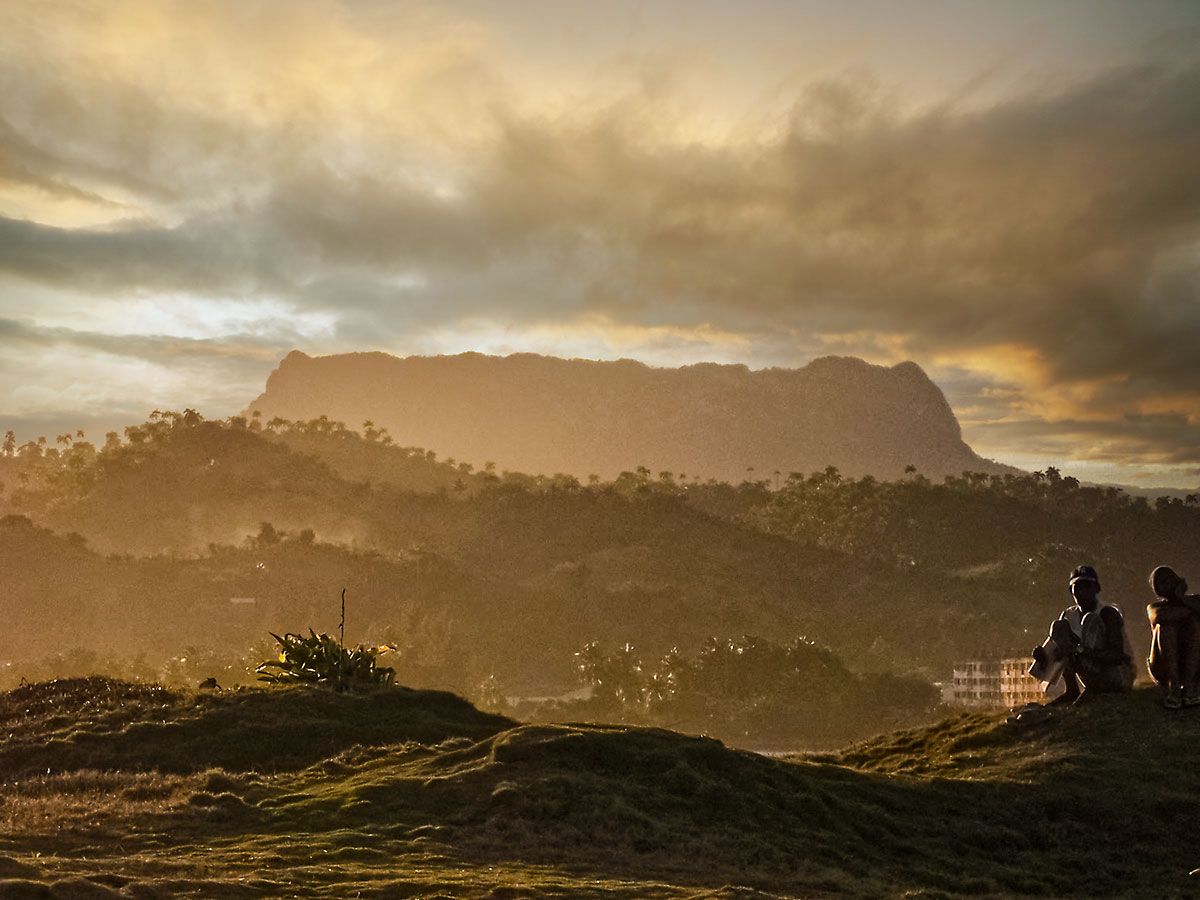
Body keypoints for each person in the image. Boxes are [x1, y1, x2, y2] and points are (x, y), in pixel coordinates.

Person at [1029, 565, 1134, 705]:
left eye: (1086, 586)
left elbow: (1118, 656)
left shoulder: (1108, 613)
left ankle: (1092, 689)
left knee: (1090, 621)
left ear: (1096, 588)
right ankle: (1072, 689)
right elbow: (1063, 648)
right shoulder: (1069, 615)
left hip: (1117, 674)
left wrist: (1080, 650)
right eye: (1077, 587)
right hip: (1088, 671)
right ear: (1071, 590)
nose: (1081, 591)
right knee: (1059, 627)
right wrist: (1044, 655)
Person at [1146, 566, 1200, 709]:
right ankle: (1174, 686)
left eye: (1169, 580)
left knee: (1195, 624)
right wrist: (1189, 608)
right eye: (1161, 583)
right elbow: (1161, 617)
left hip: (1192, 663)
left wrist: (1182, 599)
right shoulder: (1155, 607)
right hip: (1163, 666)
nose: (1167, 585)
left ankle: (1188, 686)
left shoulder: (1194, 600)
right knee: (1164, 626)